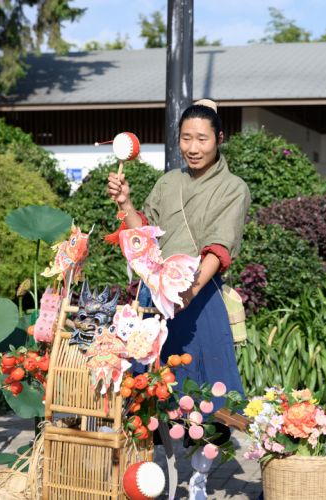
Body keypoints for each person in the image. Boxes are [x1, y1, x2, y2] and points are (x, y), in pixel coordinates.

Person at [107, 99, 250, 407]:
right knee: (148, 394)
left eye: (202, 139)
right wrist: (125, 203)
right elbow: (144, 236)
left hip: (198, 296)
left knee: (204, 396)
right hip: (155, 297)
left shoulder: (234, 188)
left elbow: (218, 249)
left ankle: (206, 440)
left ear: (219, 139)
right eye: (186, 139)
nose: (193, 148)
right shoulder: (168, 182)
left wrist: (187, 294)